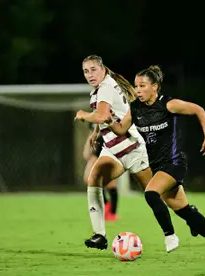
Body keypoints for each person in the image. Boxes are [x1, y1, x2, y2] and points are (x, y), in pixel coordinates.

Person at [107, 65, 205, 260]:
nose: (137, 90)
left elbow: (198, 109)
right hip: (157, 166)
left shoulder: (168, 104)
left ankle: (170, 235)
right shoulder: (135, 108)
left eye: (142, 85)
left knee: (151, 194)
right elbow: (121, 130)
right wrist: (109, 121)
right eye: (136, 86)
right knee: (184, 210)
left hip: (174, 162)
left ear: (154, 87)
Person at [75, 55, 183, 252]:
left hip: (133, 149)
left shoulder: (106, 88)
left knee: (159, 194)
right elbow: (107, 116)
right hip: (113, 149)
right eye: (85, 71)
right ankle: (100, 235)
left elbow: (101, 115)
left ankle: (184, 220)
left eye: (93, 70)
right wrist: (97, 132)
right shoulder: (102, 88)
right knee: (94, 177)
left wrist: (82, 115)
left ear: (103, 70)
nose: (89, 74)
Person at [83, 122, 120, 221]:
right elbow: (92, 132)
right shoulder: (93, 116)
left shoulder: (111, 112)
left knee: (109, 182)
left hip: (108, 147)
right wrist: (87, 148)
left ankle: (112, 213)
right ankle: (105, 204)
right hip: (97, 149)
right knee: (89, 179)